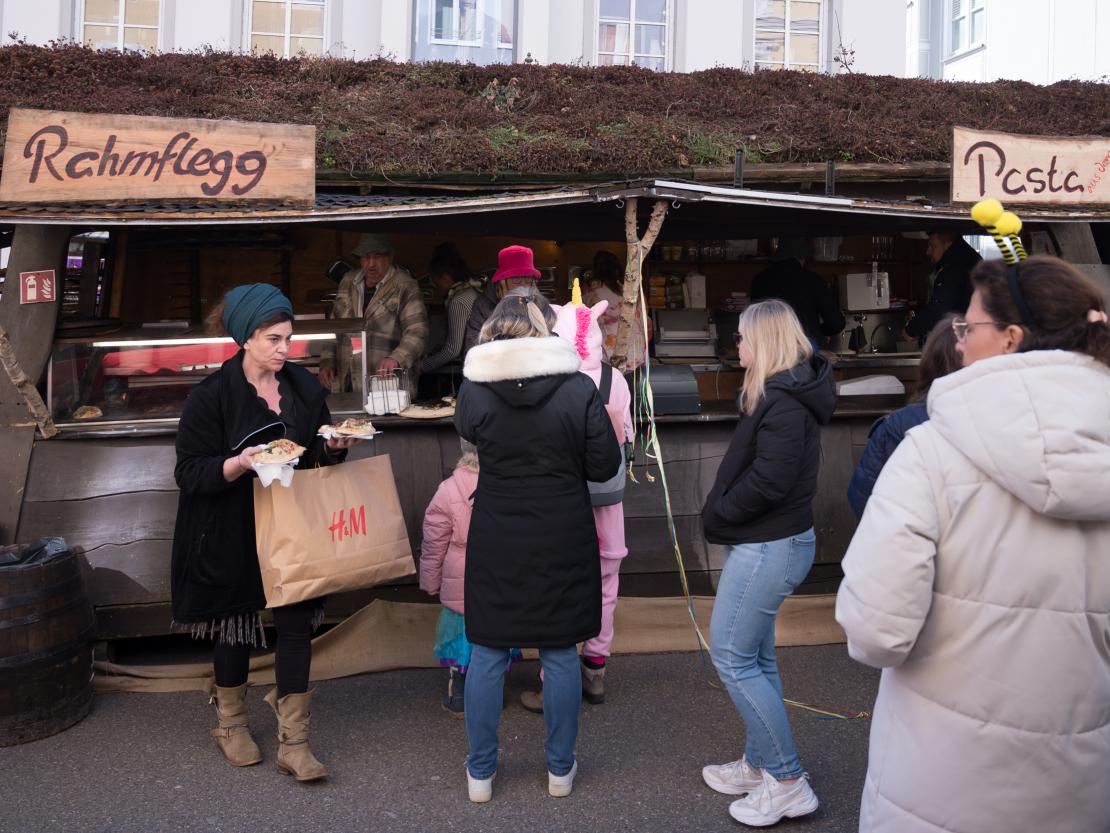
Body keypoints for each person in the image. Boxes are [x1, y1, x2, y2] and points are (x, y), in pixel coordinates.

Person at [836, 255, 1110, 833]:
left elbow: (876, 632)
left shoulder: (928, 453)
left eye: (969, 328)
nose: (958, 344)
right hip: (1081, 787)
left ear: (1010, 338)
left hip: (938, 785)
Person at [171, 284, 356, 782]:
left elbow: (313, 453)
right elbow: (188, 472)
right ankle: (230, 723)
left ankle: (295, 743)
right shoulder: (211, 397)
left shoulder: (303, 388)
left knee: (296, 625)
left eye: (288, 339)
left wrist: (333, 448)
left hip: (292, 522)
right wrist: (239, 462)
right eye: (273, 339)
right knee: (236, 626)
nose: (284, 349)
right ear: (245, 338)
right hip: (230, 527)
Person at [454, 293, 621, 803]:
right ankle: (559, 770)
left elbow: (468, 437)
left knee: (487, 648)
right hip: (562, 530)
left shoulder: (474, 392)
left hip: (498, 530)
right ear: (545, 329)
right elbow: (604, 466)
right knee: (560, 648)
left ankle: (480, 775)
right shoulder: (578, 389)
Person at [700, 298, 835, 827]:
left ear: (764, 341)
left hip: (768, 546)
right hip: (771, 542)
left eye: (741, 336)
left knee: (733, 659)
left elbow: (771, 481)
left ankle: (786, 780)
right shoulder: (783, 393)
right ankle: (760, 765)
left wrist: (721, 513)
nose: (736, 345)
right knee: (756, 660)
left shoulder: (782, 401)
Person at [520, 280, 634, 713]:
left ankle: (554, 680)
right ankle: (596, 668)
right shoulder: (615, 380)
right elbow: (626, 438)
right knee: (606, 582)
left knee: (562, 583)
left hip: (563, 500)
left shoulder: (553, 383)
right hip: (608, 500)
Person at [419, 442, 522, 717]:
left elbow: (434, 541)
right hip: (502, 575)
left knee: (460, 636)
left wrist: (430, 581)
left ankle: (460, 696)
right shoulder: (512, 482)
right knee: (498, 633)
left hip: (461, 578)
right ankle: (493, 694)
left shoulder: (449, 488)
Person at [846, 314, 960, 518]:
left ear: (928, 362)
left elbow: (862, 497)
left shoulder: (898, 426)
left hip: (914, 542)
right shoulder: (1004, 419)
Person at [319, 233, 428, 398]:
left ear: (390, 258)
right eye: (365, 257)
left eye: (377, 257)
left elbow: (418, 332)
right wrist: (327, 361)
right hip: (348, 384)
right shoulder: (348, 281)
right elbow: (333, 327)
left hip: (389, 388)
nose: (371, 264)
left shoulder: (405, 286)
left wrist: (396, 358)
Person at [750, 238, 845, 345]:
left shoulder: (759, 280)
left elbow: (753, 320)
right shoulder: (812, 279)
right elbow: (835, 323)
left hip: (769, 350)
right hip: (806, 348)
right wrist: (818, 331)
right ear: (802, 258)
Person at [904, 231, 980, 344]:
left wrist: (911, 329)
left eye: (932, 246)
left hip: (964, 340)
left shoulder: (953, 269)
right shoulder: (970, 261)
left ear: (948, 245)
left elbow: (939, 309)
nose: (928, 251)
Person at [463, 244, 541, 353]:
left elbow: (545, 339)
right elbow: (473, 350)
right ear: (503, 281)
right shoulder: (483, 305)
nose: (523, 283)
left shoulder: (537, 302)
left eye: (527, 277)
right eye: (516, 278)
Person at [582, 249, 650, 372]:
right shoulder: (632, 288)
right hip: (637, 352)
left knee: (612, 389)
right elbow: (646, 319)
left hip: (609, 355)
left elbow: (582, 320)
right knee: (633, 389)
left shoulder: (591, 289)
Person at [421, 243, 484, 373]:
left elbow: (452, 350)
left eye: (435, 281)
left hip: (474, 369)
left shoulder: (458, 301)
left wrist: (421, 367)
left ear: (445, 277)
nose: (435, 286)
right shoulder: (472, 292)